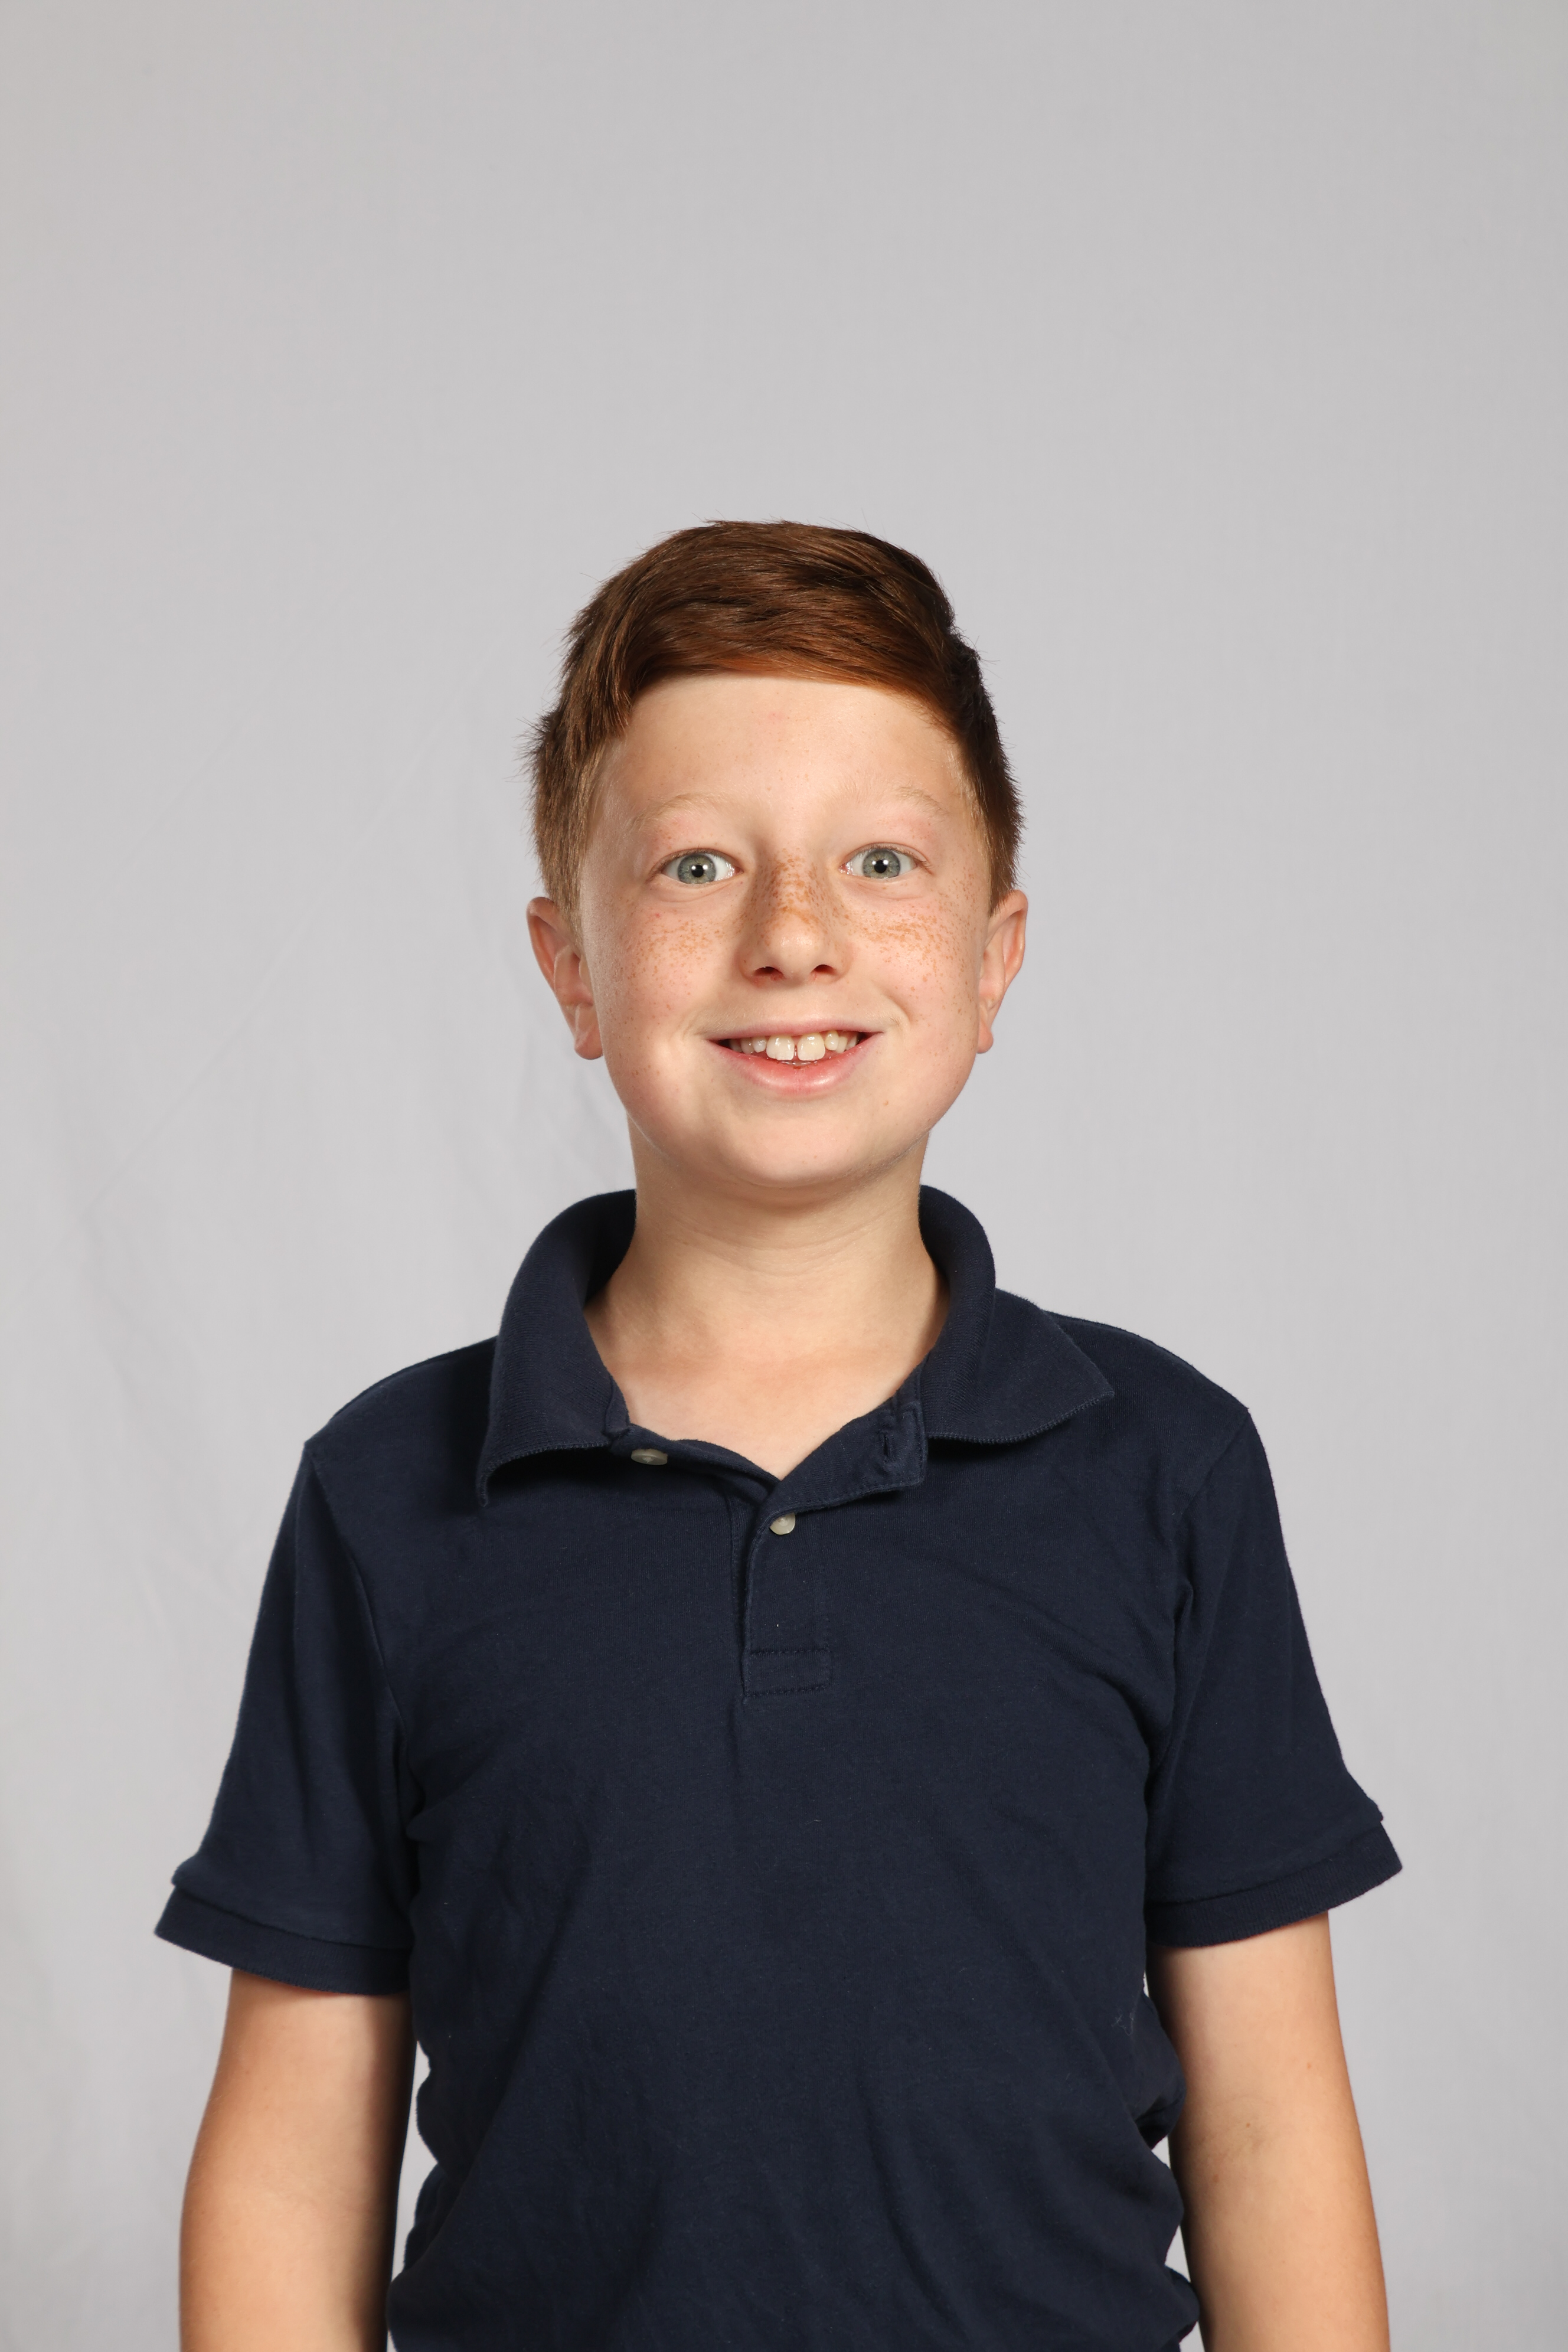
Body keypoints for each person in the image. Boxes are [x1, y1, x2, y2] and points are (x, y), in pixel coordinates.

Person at [159, 522, 1400, 2352]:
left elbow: (1274, 2122)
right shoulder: (388, 1490)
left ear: (995, 956)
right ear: (572, 970)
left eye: (879, 861)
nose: (793, 934)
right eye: (698, 865)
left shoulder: (1165, 1467)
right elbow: (290, 2157)